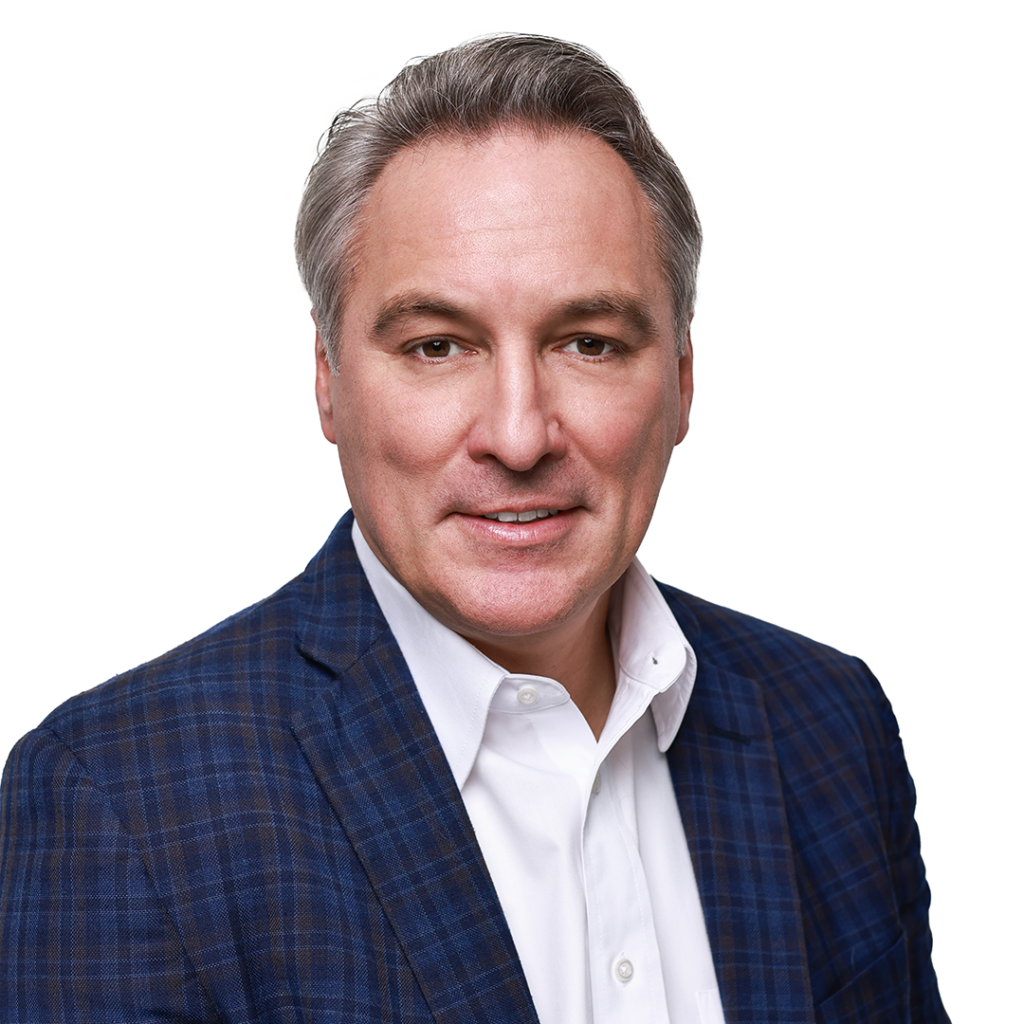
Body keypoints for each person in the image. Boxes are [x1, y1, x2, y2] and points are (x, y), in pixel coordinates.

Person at [0, 33, 947, 1024]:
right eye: (437, 346)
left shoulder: (830, 723)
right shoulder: (119, 802)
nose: (517, 433)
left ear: (680, 380)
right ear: (328, 382)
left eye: (589, 343)